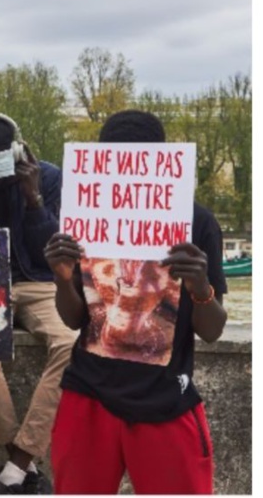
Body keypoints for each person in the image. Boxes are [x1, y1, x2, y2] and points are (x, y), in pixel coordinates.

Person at [45, 110, 228, 494]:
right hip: (88, 393)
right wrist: (64, 279)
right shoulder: (85, 216)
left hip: (166, 399)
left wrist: (199, 284)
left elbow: (212, 331)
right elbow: (76, 319)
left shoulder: (197, 222)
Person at [0, 112, 73, 494]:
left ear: (15, 153)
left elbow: (54, 254)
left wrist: (34, 198)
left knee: (73, 343)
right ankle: (17, 459)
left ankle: (20, 459)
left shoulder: (50, 177)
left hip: (40, 281)